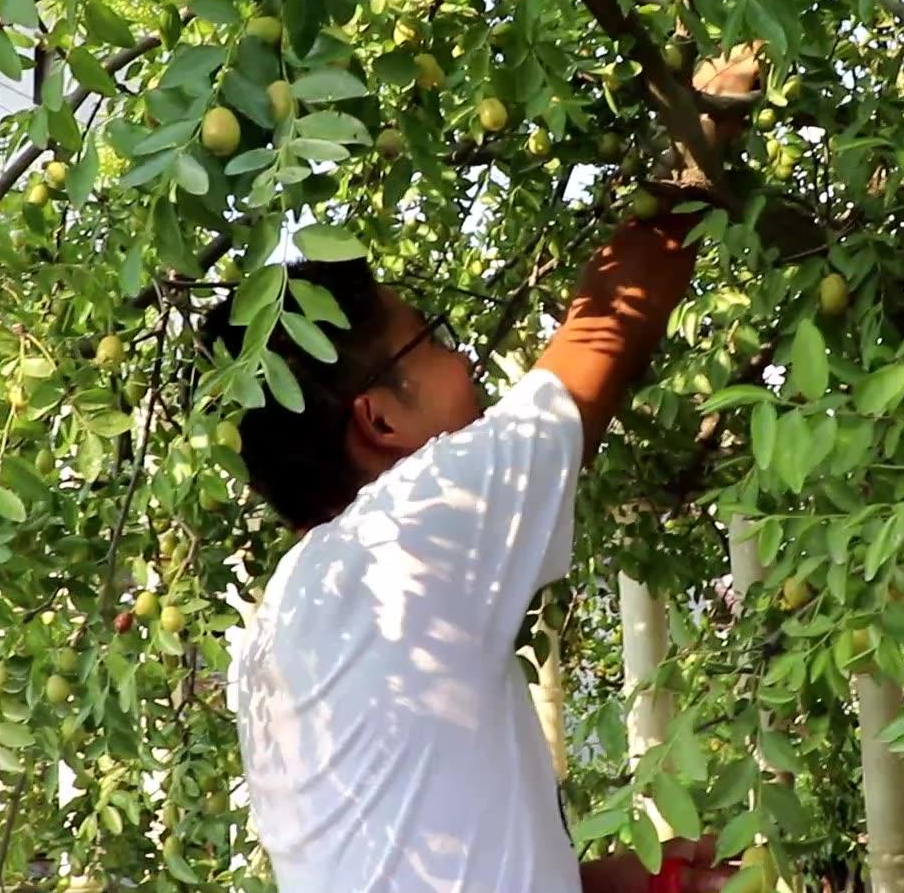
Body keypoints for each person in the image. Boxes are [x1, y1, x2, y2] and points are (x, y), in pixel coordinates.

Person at [203, 48, 763, 893]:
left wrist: (613, 883)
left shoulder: (280, 624)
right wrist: (706, 128)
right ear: (380, 416)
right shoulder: (406, 534)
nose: (465, 358)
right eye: (432, 339)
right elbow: (604, 333)